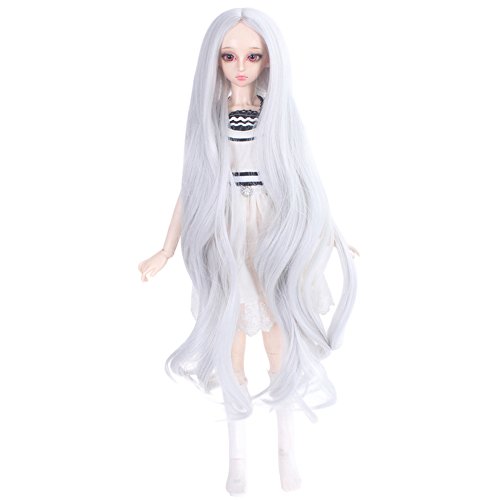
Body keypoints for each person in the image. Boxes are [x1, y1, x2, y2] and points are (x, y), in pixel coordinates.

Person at [138, 8, 358, 495]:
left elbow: (305, 181)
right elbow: (191, 187)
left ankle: (287, 455)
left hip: (275, 236)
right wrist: (167, 249)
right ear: (214, 61)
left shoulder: (279, 119)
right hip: (226, 236)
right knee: (231, 348)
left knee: (281, 348)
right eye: (230, 56)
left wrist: (333, 234)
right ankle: (237, 460)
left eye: (252, 56)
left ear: (269, 60)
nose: (241, 66)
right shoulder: (210, 121)